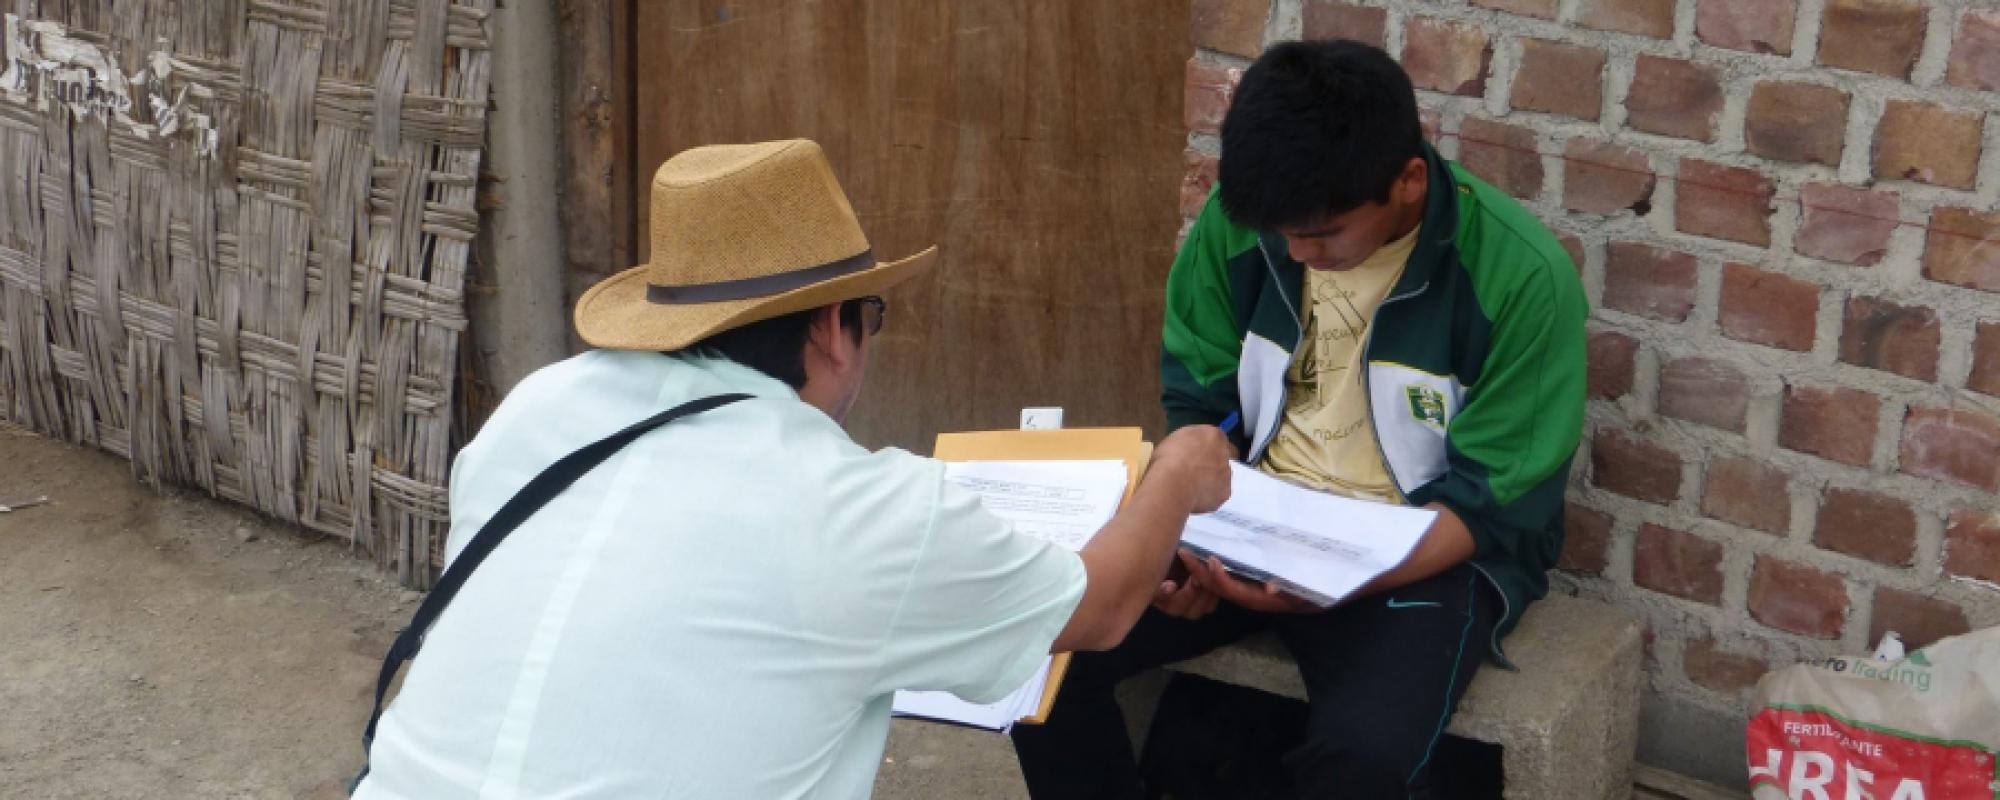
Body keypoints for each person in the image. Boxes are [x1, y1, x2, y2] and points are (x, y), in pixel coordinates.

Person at [351, 139, 1235, 798]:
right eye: (871, 320)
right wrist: (1178, 473)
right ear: (831, 326)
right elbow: (1104, 604)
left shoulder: (536, 407)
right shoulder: (857, 505)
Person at [1011, 40, 1588, 798]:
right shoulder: (1247, 223)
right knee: (1033, 649)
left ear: (1409, 181)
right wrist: (1175, 536)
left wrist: (1335, 580)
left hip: (1423, 550)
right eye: (1281, 234)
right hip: (1241, 515)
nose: (1296, 253)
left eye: (1321, 235)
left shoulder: (1521, 276)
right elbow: (1199, 402)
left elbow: (1493, 507)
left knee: (1365, 757)